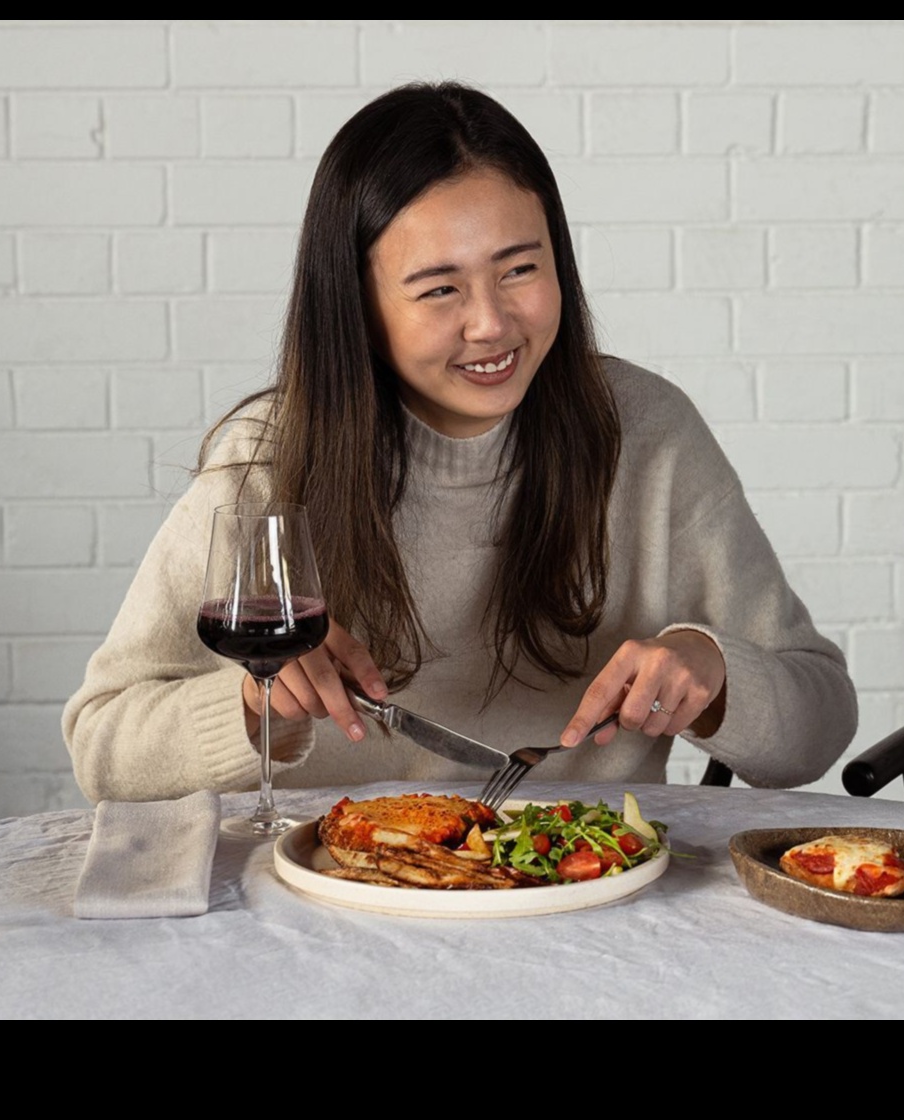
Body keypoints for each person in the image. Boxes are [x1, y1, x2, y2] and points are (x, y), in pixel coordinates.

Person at [63, 82, 858, 803]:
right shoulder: (267, 459)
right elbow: (101, 744)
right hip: (324, 900)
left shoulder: (648, 433)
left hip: (580, 896)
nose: (491, 323)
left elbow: (818, 728)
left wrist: (714, 672)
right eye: (440, 289)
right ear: (358, 306)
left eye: (519, 269)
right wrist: (249, 704)